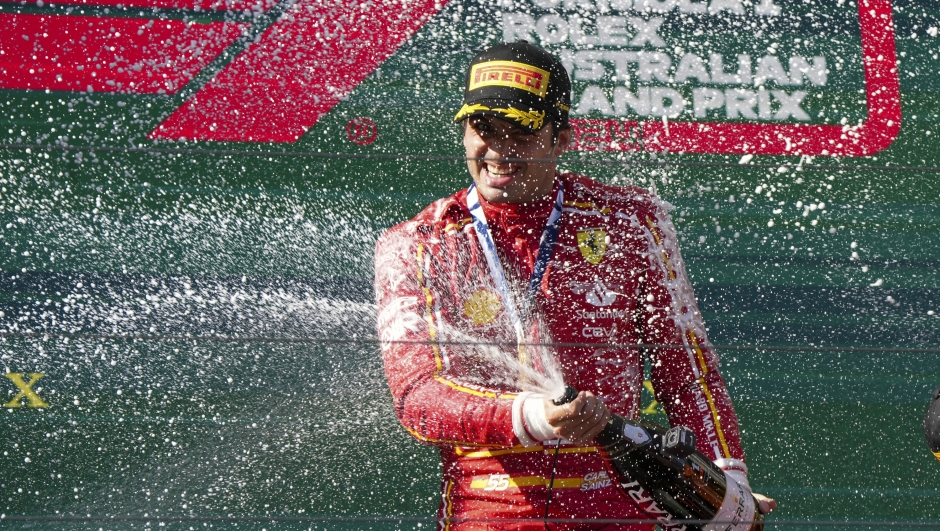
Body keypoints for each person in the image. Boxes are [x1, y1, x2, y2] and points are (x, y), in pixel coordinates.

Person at [375, 41, 776, 530]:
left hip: (621, 506)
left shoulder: (631, 221)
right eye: (483, 129)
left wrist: (728, 480)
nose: (498, 150)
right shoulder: (418, 243)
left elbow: (687, 369)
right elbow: (418, 396)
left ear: (562, 138)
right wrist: (534, 417)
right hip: (487, 513)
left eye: (519, 133)